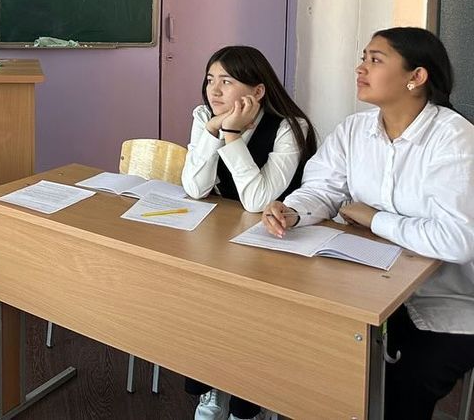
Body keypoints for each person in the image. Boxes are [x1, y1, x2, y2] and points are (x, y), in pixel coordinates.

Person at [262, 27, 474, 420]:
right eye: (363, 58)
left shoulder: (454, 138)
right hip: (369, 286)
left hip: (448, 300)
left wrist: (374, 219)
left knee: (402, 389)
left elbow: (456, 240)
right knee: (309, 354)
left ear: (416, 77)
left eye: (375, 60)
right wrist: (293, 210)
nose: (360, 68)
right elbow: (323, 188)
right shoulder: (354, 130)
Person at [181, 45, 316, 420]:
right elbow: (195, 188)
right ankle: (212, 386)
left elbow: (258, 200)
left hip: (276, 243)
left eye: (226, 81)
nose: (214, 90)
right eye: (210, 79)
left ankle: (250, 402)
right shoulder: (204, 116)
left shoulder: (289, 127)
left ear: (257, 91)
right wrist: (212, 130)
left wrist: (231, 135)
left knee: (249, 318)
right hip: (222, 238)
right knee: (201, 300)